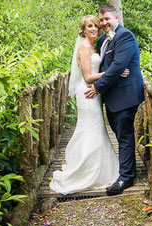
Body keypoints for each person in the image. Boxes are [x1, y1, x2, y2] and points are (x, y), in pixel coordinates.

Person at [49, 15, 123, 195]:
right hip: (87, 93)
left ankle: (98, 169)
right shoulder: (83, 46)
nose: (94, 29)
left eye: (96, 26)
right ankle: (86, 172)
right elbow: (88, 76)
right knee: (92, 129)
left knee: (96, 129)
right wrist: (113, 72)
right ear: (82, 29)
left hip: (94, 93)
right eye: (90, 26)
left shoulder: (93, 46)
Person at [84, 4, 145, 195]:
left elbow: (119, 65)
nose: (103, 23)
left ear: (116, 17)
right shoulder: (103, 39)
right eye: (101, 20)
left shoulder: (125, 36)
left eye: (106, 19)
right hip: (112, 96)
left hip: (125, 95)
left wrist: (97, 87)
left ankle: (126, 178)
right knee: (120, 135)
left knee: (125, 136)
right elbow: (104, 66)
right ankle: (127, 170)